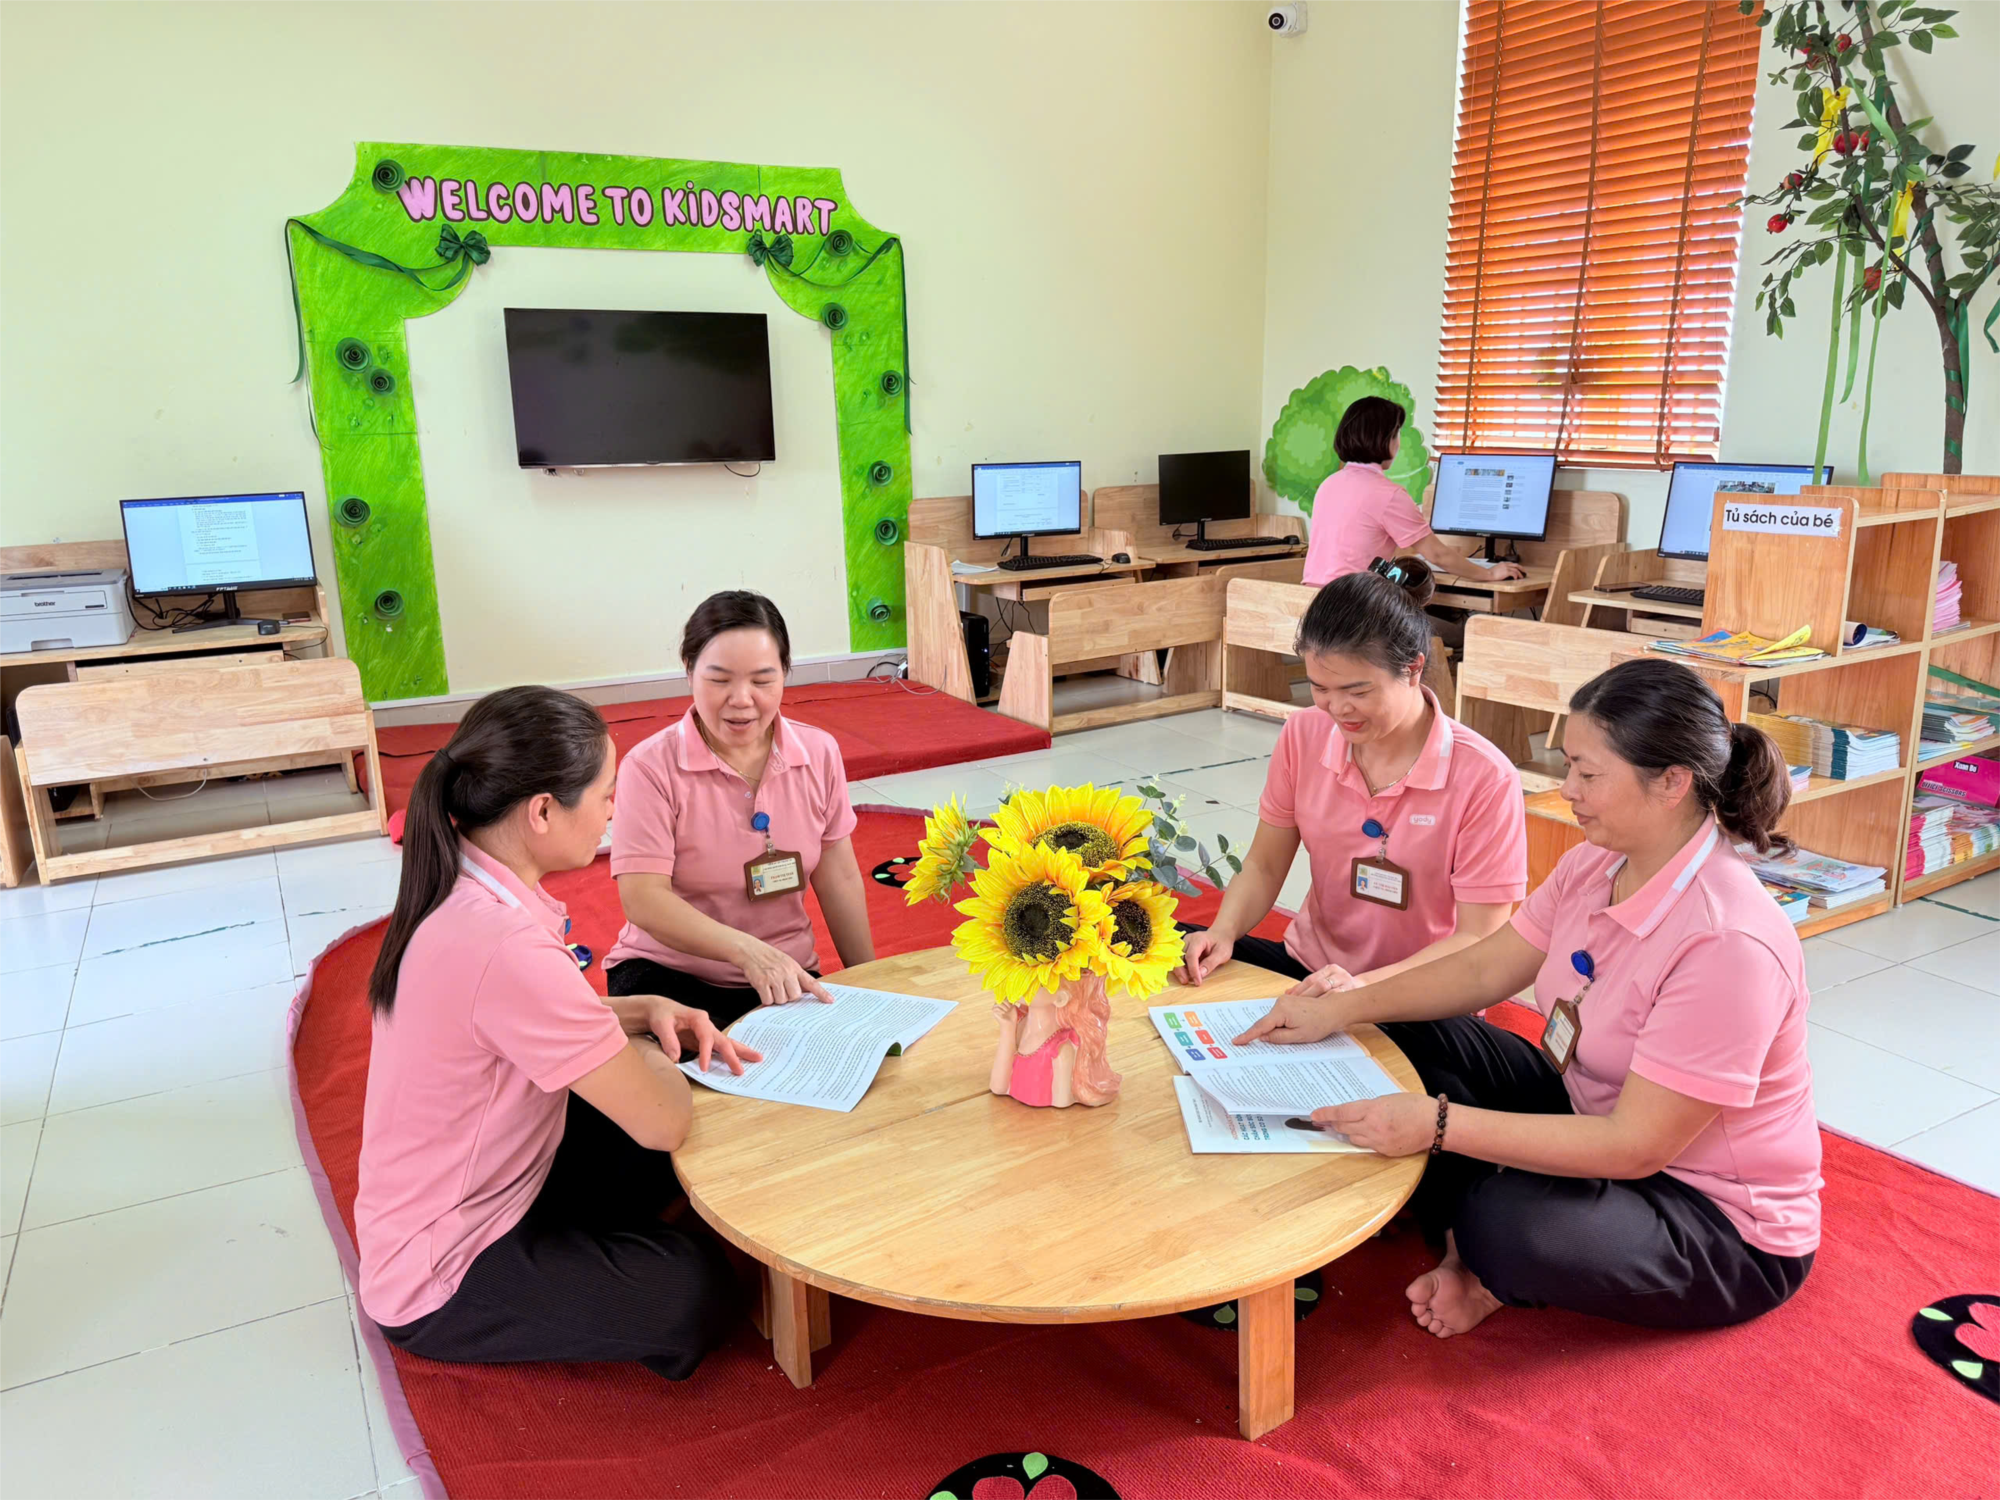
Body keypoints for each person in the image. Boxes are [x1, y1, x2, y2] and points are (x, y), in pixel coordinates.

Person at [1238, 657, 1820, 1337]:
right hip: (1586, 1106)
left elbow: (1635, 1148)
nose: (1566, 789)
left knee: (1505, 1224)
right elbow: (1486, 967)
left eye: (1588, 775)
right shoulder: (1597, 860)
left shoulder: (1729, 945)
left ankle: (1479, 1255)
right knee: (1407, 1030)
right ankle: (1461, 1234)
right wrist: (1343, 1004)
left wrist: (1438, 1125)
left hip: (1708, 1215)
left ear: (1672, 782)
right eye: (1568, 765)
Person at [356, 685, 757, 1378]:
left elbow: (519, 1020)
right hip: (443, 1272)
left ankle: (584, 1243)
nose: (613, 809)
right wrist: (646, 1045)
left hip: (494, 1178)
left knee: (655, 1114)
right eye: (605, 793)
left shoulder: (462, 883)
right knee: (697, 1288)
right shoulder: (503, 943)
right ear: (542, 810)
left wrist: (640, 1008)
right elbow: (664, 1121)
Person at [1176, 569, 1528, 995]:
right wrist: (1223, 930)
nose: (1338, 708)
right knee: (1172, 949)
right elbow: (1265, 864)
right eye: (1320, 688)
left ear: (1413, 669)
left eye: (1358, 692)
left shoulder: (1485, 777)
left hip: (1421, 992)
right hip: (1312, 970)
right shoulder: (1305, 734)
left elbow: (1478, 939)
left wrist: (1358, 991)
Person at [606, 590, 875, 1027]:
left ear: (785, 673)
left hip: (783, 976)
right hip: (669, 974)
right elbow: (643, 898)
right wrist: (747, 952)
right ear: (689, 670)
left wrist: (871, 984)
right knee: (688, 1068)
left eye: (762, 680)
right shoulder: (649, 767)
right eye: (719, 680)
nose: (742, 699)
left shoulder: (818, 752)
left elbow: (839, 877)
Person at [1301, 396, 1526, 586]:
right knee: (1445, 623)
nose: (1398, 443)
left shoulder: (1329, 484)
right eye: (1397, 433)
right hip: (1352, 608)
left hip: (1313, 603)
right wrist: (1489, 573)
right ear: (1384, 439)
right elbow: (1437, 555)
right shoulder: (1388, 495)